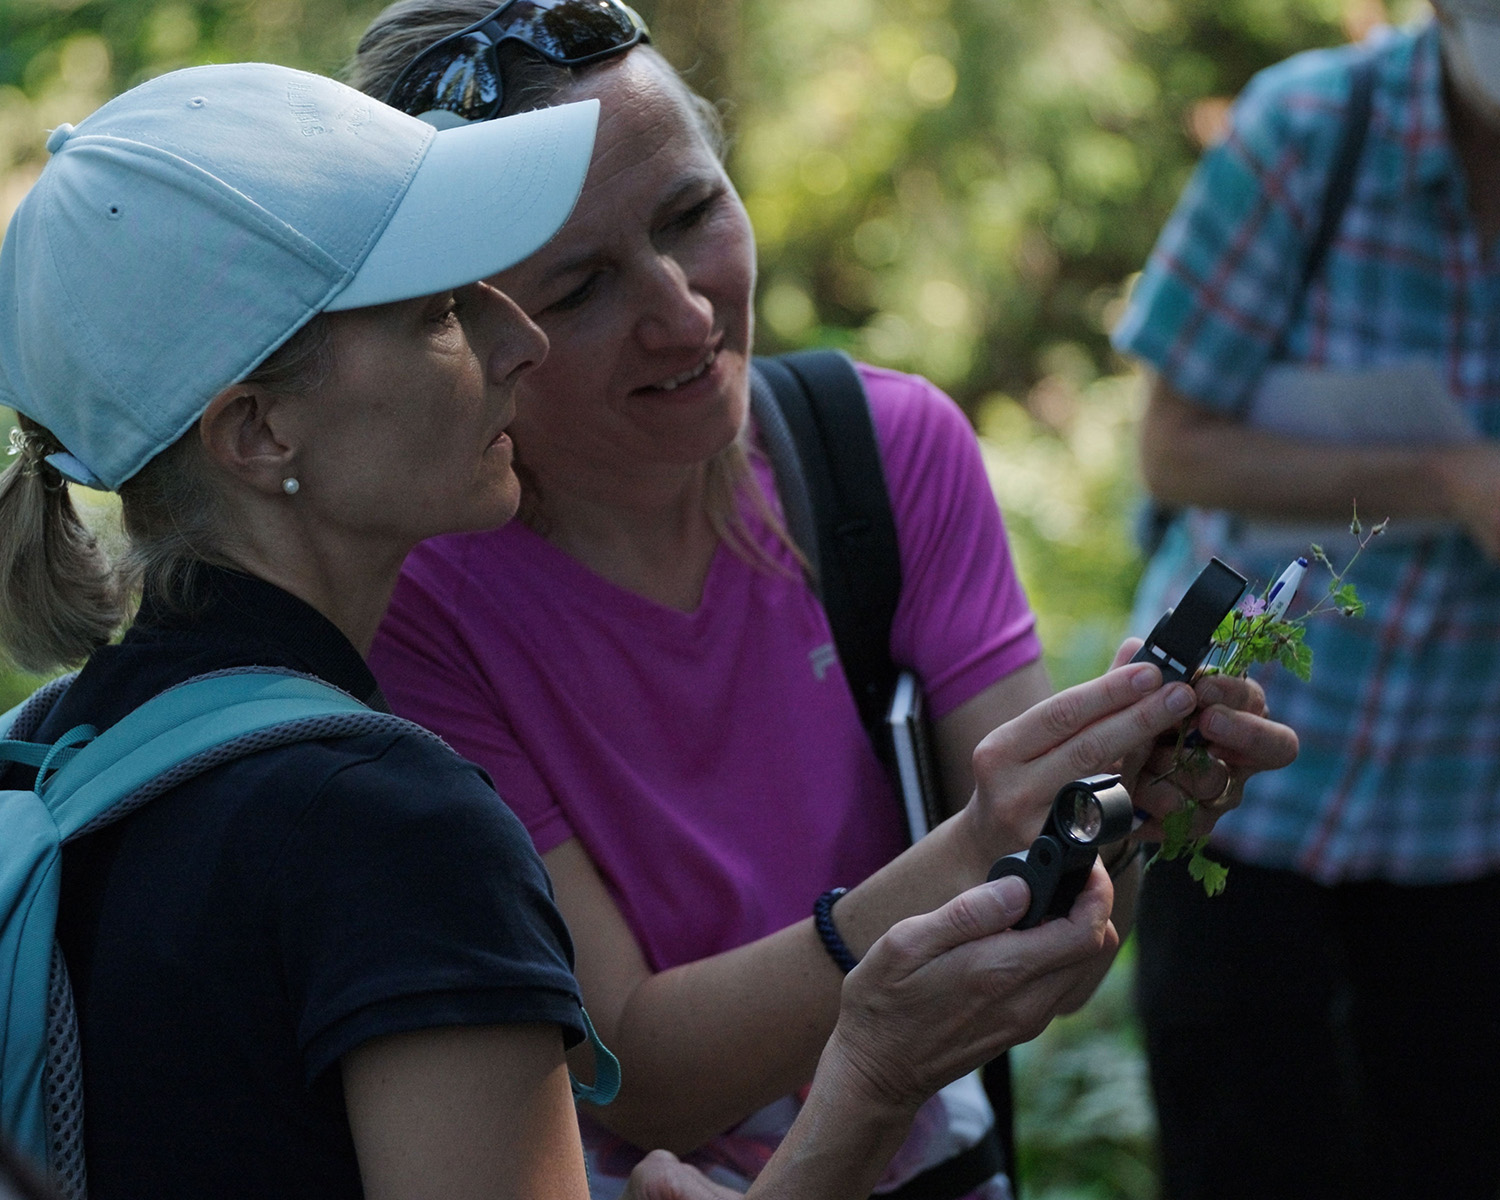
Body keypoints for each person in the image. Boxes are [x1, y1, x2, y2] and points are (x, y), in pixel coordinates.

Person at [0, 54, 1251, 1200]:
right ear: (258, 430)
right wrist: (870, 1079)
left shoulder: (58, 757)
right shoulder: (394, 829)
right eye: (439, 314)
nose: (516, 341)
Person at [352, 4, 1299, 1195]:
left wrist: (1110, 815)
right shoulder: (417, 608)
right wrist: (980, 844)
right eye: (581, 287)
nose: (684, 313)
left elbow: (1047, 960)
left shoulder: (884, 457)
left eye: (689, 214)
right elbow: (634, 1071)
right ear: (472, 328)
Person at [1112, 5, 1500, 1198]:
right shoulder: (1311, 132)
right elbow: (1173, 449)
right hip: (1241, 798)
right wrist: (1450, 480)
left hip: (1466, 819)